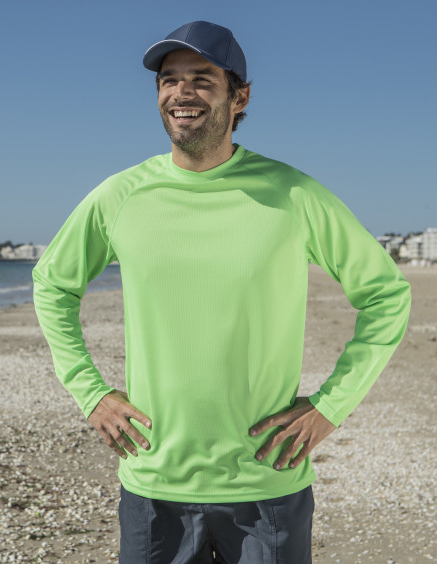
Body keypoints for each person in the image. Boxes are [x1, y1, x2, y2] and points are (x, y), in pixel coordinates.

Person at [32, 20, 410, 563]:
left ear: (240, 98)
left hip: (266, 484)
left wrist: (331, 406)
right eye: (169, 79)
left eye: (201, 79)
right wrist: (90, 393)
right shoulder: (120, 196)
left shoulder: (294, 195)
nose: (181, 92)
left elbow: (386, 295)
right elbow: (52, 283)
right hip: (154, 481)